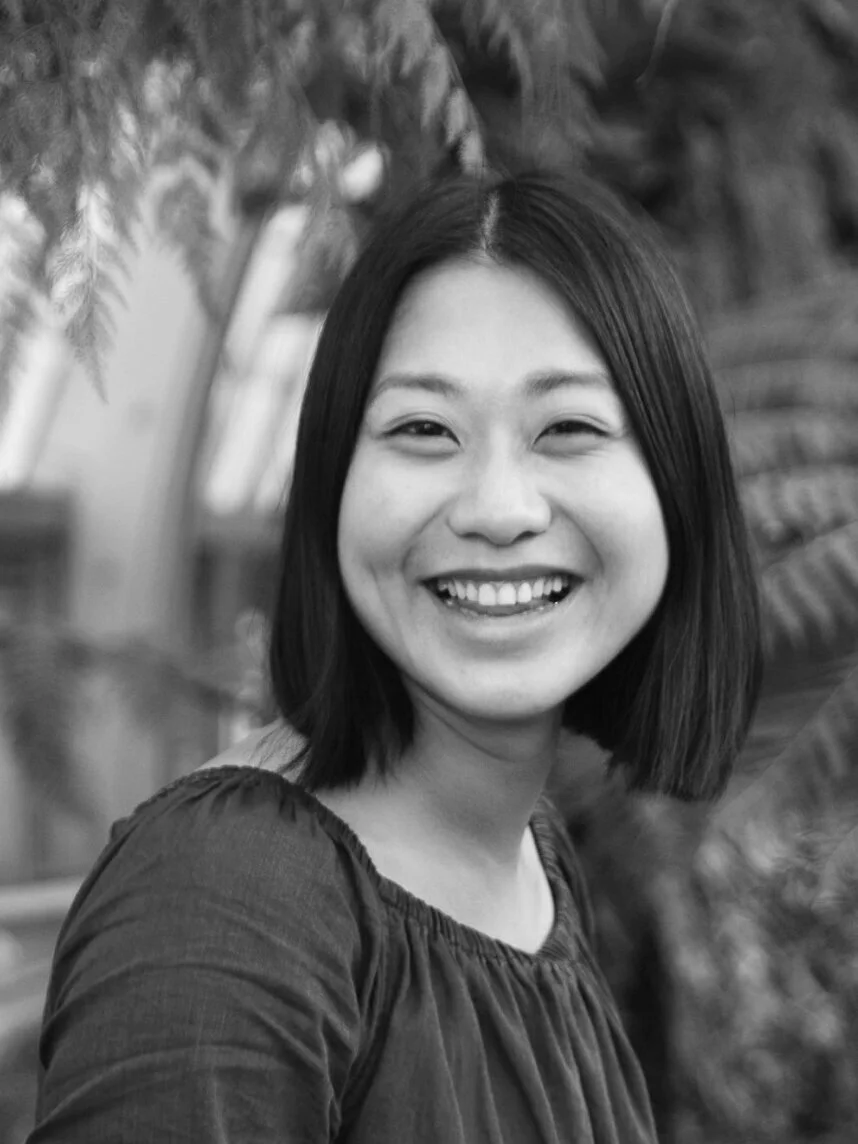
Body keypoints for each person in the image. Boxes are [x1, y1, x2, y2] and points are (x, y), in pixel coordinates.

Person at [28, 170, 761, 1143]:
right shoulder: (230, 898)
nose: (498, 509)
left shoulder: (528, 857)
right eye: (423, 429)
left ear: (677, 482)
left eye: (568, 429)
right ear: (334, 479)